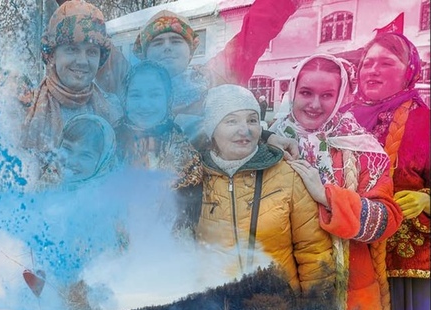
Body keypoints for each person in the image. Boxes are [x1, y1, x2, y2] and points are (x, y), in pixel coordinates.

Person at [271, 54, 402, 310]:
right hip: (278, 296)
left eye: (327, 95)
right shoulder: (268, 142)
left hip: (348, 300)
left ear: (341, 96)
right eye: (306, 93)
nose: (315, 104)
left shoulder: (361, 148)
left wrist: (328, 196)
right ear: (292, 90)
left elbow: (387, 220)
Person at [346, 33, 431, 310]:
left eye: (386, 62)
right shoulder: (343, 119)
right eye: (367, 62)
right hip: (350, 256)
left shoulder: (425, 121)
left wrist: (426, 198)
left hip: (409, 266)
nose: (373, 70)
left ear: (409, 71)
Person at [195, 85, 334, 293]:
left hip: (279, 309)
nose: (245, 130)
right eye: (231, 121)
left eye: (252, 120)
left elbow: (313, 252)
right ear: (212, 130)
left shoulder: (288, 175)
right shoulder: (194, 178)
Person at [131, 1, 299, 145]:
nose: (167, 47)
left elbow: (257, 29)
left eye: (176, 41)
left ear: (190, 52)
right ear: (144, 56)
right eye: (157, 43)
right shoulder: (129, 92)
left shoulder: (212, 78)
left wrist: (264, 135)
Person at [21, 0, 121, 159]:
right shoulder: (25, 110)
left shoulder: (114, 111)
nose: (82, 61)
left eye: (92, 52)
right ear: (52, 54)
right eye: (72, 49)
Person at [113, 61, 203, 233]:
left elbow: (187, 219)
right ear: (125, 99)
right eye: (136, 95)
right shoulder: (108, 145)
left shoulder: (186, 153)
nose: (145, 105)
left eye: (155, 95)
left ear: (168, 99)